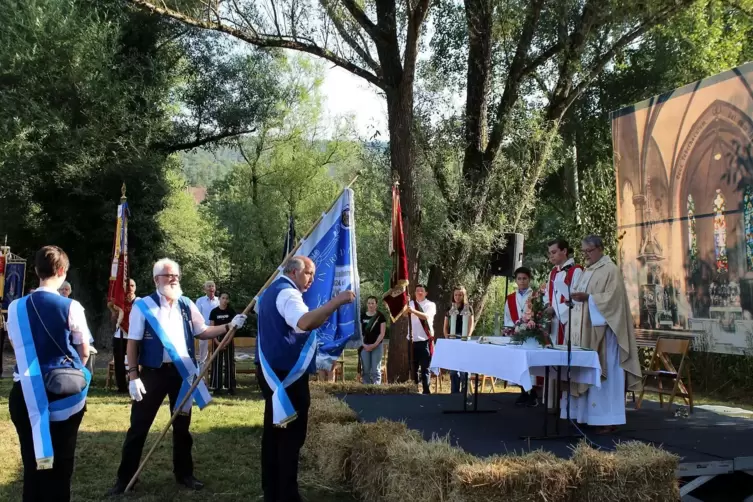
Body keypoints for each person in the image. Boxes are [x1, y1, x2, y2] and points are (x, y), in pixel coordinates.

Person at [108, 259, 246, 494]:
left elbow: (202, 331)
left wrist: (228, 326)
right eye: (168, 275)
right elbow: (132, 343)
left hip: (182, 373)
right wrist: (133, 376)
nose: (173, 279)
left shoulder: (186, 304)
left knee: (182, 426)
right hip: (152, 372)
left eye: (176, 276)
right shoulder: (144, 306)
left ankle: (184, 474)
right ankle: (125, 478)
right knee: (139, 426)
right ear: (156, 279)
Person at [256, 256, 355, 502]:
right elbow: (305, 321)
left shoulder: (271, 291)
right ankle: (287, 494)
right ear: (294, 272)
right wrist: (336, 302)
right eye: (309, 273)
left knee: (274, 433)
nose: (312, 279)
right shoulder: (288, 295)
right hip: (285, 377)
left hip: (273, 372)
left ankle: (272, 489)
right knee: (290, 436)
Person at [7, 245, 92, 501]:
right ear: (62, 271)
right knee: (61, 465)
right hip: (62, 395)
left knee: (32, 464)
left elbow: (16, 346)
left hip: (25, 392)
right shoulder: (71, 306)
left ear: (36, 271)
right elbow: (84, 352)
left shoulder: (15, 308)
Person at [565, 235, 642, 434]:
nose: (586, 255)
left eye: (588, 251)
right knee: (587, 372)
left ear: (599, 248)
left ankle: (609, 419)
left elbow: (614, 301)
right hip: (587, 332)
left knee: (606, 375)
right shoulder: (587, 271)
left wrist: (589, 298)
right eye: (583, 252)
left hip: (606, 336)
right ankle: (586, 416)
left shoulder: (611, 270)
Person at [503, 267, 540, 406]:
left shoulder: (536, 296)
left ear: (529, 279)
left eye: (524, 278)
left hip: (531, 334)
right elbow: (507, 316)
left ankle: (533, 393)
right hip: (517, 333)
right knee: (518, 363)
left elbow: (539, 313)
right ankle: (523, 391)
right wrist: (511, 329)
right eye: (519, 278)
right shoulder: (511, 298)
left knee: (530, 365)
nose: (522, 281)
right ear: (516, 280)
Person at [544, 238, 583, 345]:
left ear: (564, 251)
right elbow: (547, 293)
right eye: (549, 253)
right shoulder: (553, 272)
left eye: (554, 252)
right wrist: (547, 305)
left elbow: (577, 298)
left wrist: (555, 309)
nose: (551, 256)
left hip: (568, 322)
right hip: (553, 322)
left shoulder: (576, 271)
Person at [443, 285, 474, 394]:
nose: (458, 296)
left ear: (464, 295)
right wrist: (447, 337)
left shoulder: (468, 308)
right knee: (453, 371)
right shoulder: (450, 308)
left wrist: (467, 338)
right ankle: (454, 394)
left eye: (460, 294)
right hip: (452, 339)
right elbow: (445, 326)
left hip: (464, 339)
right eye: (456, 294)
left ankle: (465, 394)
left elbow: (471, 325)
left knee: (464, 371)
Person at [408, 284, 436, 395]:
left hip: (424, 340)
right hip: (411, 340)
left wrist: (413, 311)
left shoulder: (430, 304)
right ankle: (414, 390)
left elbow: (426, 316)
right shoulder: (410, 304)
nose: (419, 292)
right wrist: (406, 306)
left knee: (425, 368)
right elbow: (405, 315)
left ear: (426, 293)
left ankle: (426, 391)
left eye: (421, 291)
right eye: (417, 290)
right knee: (412, 367)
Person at [111, 279, 137, 394]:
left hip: (134, 335)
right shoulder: (119, 302)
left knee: (136, 360)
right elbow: (113, 320)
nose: (130, 288)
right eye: (128, 286)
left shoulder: (140, 301)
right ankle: (122, 387)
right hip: (120, 335)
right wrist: (114, 313)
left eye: (132, 285)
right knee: (119, 362)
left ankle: (136, 382)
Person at [209, 292, 237, 395]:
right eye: (223, 298)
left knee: (229, 362)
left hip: (228, 337)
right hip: (216, 338)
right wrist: (216, 341)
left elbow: (234, 327)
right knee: (217, 363)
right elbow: (211, 328)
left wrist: (228, 340)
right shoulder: (214, 312)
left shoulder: (231, 311)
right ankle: (217, 386)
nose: (225, 300)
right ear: (219, 299)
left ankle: (230, 386)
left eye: (226, 298)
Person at [360, 296, 387, 385]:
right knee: (366, 369)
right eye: (369, 303)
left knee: (376, 369)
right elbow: (360, 333)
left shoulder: (380, 316)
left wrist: (374, 345)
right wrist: (364, 345)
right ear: (367, 304)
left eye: (373, 303)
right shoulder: (362, 316)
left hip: (377, 346)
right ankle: (366, 387)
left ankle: (376, 388)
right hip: (364, 346)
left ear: (376, 304)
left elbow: (382, 333)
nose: (371, 305)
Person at [195, 281, 219, 370]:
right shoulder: (200, 301)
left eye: (212, 286)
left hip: (217, 330)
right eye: (208, 286)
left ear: (215, 288)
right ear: (205, 289)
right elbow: (197, 316)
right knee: (203, 356)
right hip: (204, 330)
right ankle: (201, 377)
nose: (211, 288)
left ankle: (214, 374)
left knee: (216, 352)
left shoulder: (219, 300)